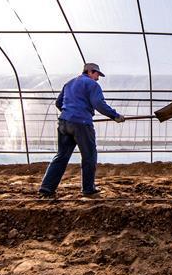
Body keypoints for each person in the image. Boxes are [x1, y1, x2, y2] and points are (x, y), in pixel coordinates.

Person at [39, 63, 125, 198]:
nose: (98, 78)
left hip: (64, 122)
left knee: (61, 155)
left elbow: (58, 103)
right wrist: (115, 116)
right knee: (89, 156)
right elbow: (98, 103)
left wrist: (70, 113)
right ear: (89, 71)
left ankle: (47, 187)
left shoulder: (69, 83)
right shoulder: (92, 85)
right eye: (97, 74)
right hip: (82, 124)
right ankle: (88, 189)